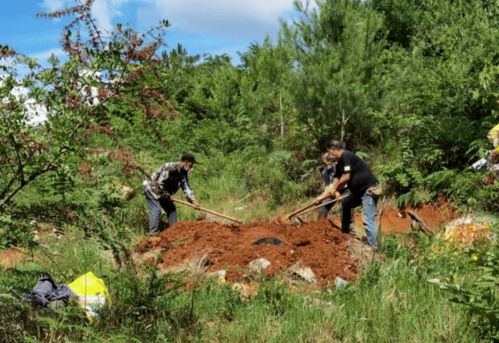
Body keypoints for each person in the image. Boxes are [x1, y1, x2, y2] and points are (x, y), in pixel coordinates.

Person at [314, 140, 381, 249]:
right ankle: (345, 233)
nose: (330, 155)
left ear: (333, 150)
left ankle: (373, 248)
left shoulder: (346, 156)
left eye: (330, 152)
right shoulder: (340, 162)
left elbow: (346, 178)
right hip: (358, 192)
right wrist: (321, 198)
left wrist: (335, 188)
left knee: (368, 220)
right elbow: (335, 182)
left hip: (369, 190)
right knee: (346, 202)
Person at [143, 153, 199, 235]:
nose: (192, 166)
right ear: (186, 162)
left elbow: (186, 187)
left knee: (171, 209)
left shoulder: (183, 173)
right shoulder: (170, 167)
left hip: (162, 191)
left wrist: (193, 200)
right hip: (151, 188)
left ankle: (174, 231)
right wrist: (167, 194)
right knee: (156, 209)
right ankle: (153, 233)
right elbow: (159, 183)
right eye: (191, 163)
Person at [317, 152, 336, 219]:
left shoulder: (333, 168)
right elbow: (327, 184)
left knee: (322, 206)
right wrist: (322, 196)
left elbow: (332, 184)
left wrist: (323, 196)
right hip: (329, 190)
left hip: (335, 190)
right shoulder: (326, 168)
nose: (324, 163)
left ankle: (320, 225)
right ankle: (321, 224)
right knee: (320, 206)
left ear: (330, 160)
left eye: (325, 162)